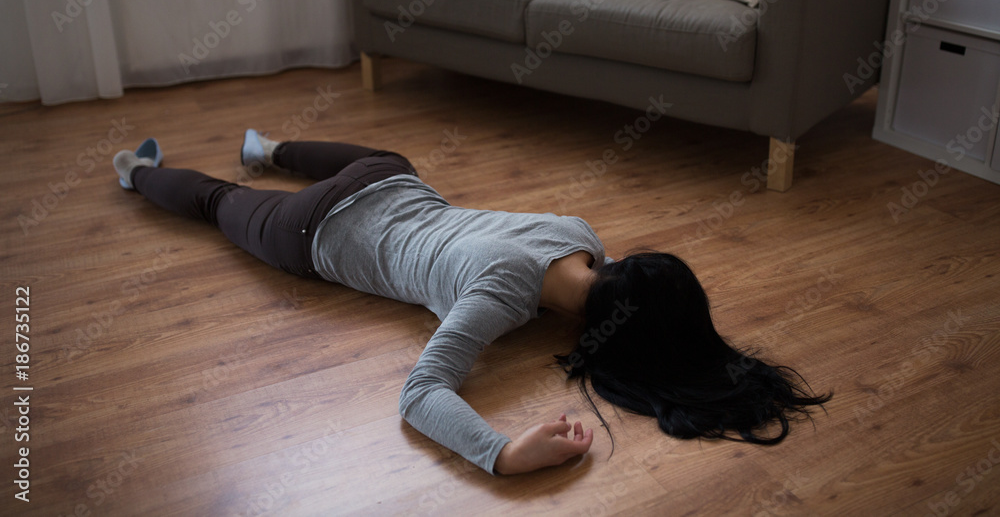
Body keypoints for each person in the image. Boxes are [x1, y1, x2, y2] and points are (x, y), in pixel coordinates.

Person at [113, 132, 831, 476]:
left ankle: (268, 145)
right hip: (313, 232)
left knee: (380, 156)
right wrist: (503, 452)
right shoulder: (496, 297)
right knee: (217, 204)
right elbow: (419, 392)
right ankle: (138, 172)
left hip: (388, 178)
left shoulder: (581, 234)